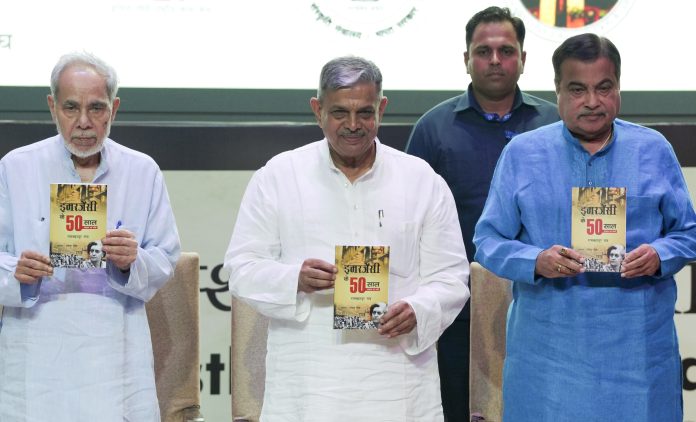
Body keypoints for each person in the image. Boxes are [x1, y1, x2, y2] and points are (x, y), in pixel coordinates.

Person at [225, 56, 469, 421]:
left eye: (364, 112)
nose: (353, 125)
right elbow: (241, 268)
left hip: (397, 382)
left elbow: (451, 276)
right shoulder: (278, 176)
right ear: (317, 110)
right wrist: (295, 278)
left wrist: (418, 310)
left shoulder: (421, 180)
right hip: (308, 381)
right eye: (340, 112)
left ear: (381, 109)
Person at [473, 33, 696, 421]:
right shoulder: (523, 154)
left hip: (638, 358)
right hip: (549, 359)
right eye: (577, 89)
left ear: (619, 88)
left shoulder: (653, 149)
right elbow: (488, 240)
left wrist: (659, 254)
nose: (592, 101)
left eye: (603, 88)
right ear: (557, 90)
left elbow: (688, 233)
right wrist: (535, 260)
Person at [0, 52, 181, 421]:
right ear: (52, 107)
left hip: (117, 357)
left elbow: (165, 258)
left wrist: (132, 262)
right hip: (37, 356)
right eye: (71, 107)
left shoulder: (142, 170)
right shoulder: (16, 167)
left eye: (96, 108)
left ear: (114, 108)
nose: (83, 122)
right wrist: (15, 271)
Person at [405, 6, 559, 419]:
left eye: (506, 51)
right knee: (458, 407)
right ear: (466, 59)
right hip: (457, 307)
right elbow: (409, 218)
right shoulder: (434, 129)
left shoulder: (554, 124)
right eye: (483, 51)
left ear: (523, 59)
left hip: (543, 298)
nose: (495, 60)